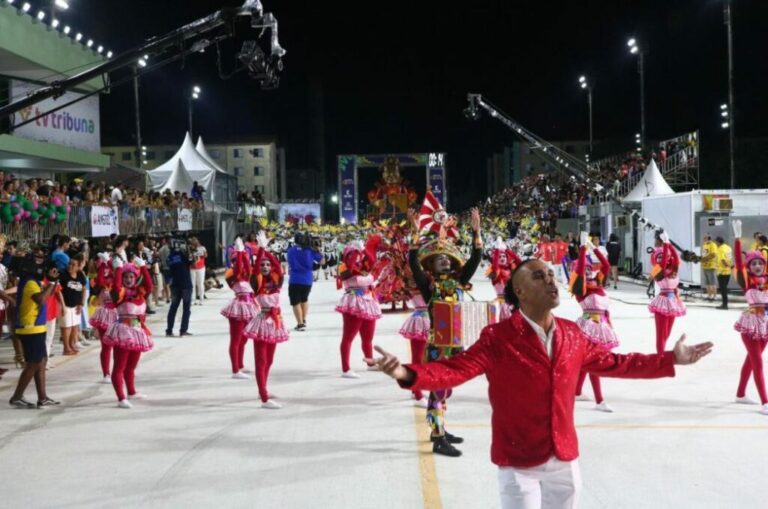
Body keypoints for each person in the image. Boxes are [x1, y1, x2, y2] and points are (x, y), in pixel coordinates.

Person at [365, 258, 713, 509]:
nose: (550, 280)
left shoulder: (572, 334)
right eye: (538, 276)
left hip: (564, 459)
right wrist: (407, 374)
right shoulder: (498, 337)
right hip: (519, 463)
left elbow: (617, 363)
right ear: (519, 290)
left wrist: (671, 359)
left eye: (551, 274)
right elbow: (457, 369)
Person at [407, 206, 483, 457]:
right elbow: (412, 263)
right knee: (438, 389)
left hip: (456, 344)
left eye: (448, 257)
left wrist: (476, 232)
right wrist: (415, 232)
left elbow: (475, 259)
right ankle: (438, 436)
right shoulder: (429, 287)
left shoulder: (459, 283)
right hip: (437, 346)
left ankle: (440, 428)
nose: (445, 259)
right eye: (439, 257)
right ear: (432, 265)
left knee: (447, 388)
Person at [571, 233, 619, 412]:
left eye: (590, 268)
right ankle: (599, 401)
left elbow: (606, 265)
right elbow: (581, 267)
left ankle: (576, 391)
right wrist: (582, 250)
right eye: (585, 269)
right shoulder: (580, 289)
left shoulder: (597, 283)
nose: (589, 271)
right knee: (595, 362)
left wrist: (594, 248)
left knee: (589, 361)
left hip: (602, 325)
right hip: (588, 326)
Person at [9, 255, 61, 408]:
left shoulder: (32, 281)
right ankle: (17, 397)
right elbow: (41, 299)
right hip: (30, 328)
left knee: (41, 361)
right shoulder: (30, 282)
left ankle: (42, 398)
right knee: (33, 363)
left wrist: (54, 281)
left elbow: (48, 294)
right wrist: (51, 282)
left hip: (36, 326)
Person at [102, 258, 153, 409]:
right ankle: (121, 398)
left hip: (137, 332)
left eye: (131, 277)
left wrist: (143, 267)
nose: (128, 279)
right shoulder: (118, 293)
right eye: (126, 277)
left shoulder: (140, 292)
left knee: (131, 366)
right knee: (119, 367)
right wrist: (118, 269)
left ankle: (131, 392)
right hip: (123, 332)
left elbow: (149, 285)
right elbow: (116, 287)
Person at [242, 246, 289, 409]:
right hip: (262, 322)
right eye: (263, 265)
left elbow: (278, 266)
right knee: (261, 361)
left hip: (275, 322)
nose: (266, 267)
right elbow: (255, 271)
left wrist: (267, 251)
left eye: (268, 265)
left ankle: (263, 389)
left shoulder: (277, 281)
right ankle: (264, 399)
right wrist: (260, 251)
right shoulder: (256, 282)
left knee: (269, 360)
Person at [731, 220, 768, 415]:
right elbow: (738, 261)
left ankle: (740, 394)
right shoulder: (747, 281)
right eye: (753, 263)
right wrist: (737, 239)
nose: (756, 266)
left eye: (759, 263)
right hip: (751, 325)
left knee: (751, 361)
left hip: (765, 326)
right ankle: (765, 402)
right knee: (758, 363)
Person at [335, 238, 382, 379]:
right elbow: (350, 272)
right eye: (353, 254)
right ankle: (346, 369)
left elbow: (372, 266)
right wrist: (354, 252)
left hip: (368, 301)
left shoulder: (364, 265)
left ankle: (370, 362)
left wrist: (365, 251)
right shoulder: (344, 267)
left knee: (368, 337)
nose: (357, 257)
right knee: (348, 337)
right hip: (354, 302)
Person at [221, 237, 260, 379]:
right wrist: (239, 252)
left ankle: (241, 365)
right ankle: (235, 370)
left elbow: (248, 268)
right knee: (236, 339)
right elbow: (238, 270)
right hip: (238, 308)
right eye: (237, 260)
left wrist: (244, 253)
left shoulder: (247, 276)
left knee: (244, 339)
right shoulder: (230, 274)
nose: (241, 263)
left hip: (249, 306)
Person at [648, 232, 686, 354]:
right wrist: (665, 245)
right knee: (661, 334)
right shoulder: (657, 269)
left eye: (663, 256)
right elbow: (663, 263)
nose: (662, 258)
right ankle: (660, 357)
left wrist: (669, 244)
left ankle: (661, 354)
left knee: (667, 333)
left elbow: (676, 258)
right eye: (658, 256)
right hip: (662, 302)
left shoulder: (673, 269)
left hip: (673, 302)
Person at [286, 232, 322, 331]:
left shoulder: (291, 250)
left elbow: (288, 262)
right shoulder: (310, 250)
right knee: (304, 299)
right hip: (307, 279)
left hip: (295, 279)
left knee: (295, 302)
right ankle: (303, 319)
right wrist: (317, 250)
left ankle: (300, 324)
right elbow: (322, 261)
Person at [90, 251, 117, 383]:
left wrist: (111, 263)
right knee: (106, 347)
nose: (107, 270)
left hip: (119, 315)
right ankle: (106, 373)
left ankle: (118, 371)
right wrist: (102, 265)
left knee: (119, 347)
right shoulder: (100, 281)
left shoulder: (119, 280)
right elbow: (100, 281)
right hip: (105, 315)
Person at [486, 237, 522, 320]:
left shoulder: (511, 270)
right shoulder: (495, 272)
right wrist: (497, 250)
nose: (502, 258)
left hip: (512, 302)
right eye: (500, 257)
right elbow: (495, 266)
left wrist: (507, 250)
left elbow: (520, 263)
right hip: (501, 304)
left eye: (504, 257)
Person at [59, 254, 87, 357]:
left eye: (73, 265)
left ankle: (71, 344)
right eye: (69, 264)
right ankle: (66, 348)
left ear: (78, 266)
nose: (70, 266)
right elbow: (59, 291)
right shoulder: (63, 275)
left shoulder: (80, 275)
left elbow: (83, 290)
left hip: (76, 305)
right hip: (65, 305)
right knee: (66, 326)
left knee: (75, 326)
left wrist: (81, 303)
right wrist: (62, 305)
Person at [166, 241, 193, 337]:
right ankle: (183, 330)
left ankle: (169, 330)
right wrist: (189, 251)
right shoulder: (183, 255)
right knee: (186, 308)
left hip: (175, 285)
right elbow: (191, 261)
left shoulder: (169, 257)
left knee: (173, 307)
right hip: (186, 284)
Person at [716, 236, 733, 310]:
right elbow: (729, 258)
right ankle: (724, 303)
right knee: (724, 288)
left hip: (722, 271)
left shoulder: (720, 249)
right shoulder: (728, 247)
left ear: (718, 242)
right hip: (728, 272)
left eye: (716, 242)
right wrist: (730, 266)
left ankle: (725, 305)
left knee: (723, 289)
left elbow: (722, 260)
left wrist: (727, 265)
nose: (716, 244)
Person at [189, 236, 207, 305]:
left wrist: (202, 253)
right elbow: (189, 258)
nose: (193, 242)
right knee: (192, 284)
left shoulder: (202, 248)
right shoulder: (189, 249)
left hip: (201, 268)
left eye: (195, 241)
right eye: (192, 241)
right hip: (192, 268)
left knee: (200, 283)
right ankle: (193, 300)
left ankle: (201, 298)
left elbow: (205, 255)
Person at [700, 234, 718, 302]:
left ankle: (714, 296)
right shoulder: (704, 245)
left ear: (709, 238)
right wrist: (701, 258)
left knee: (712, 282)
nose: (704, 239)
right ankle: (709, 295)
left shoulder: (713, 245)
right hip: (705, 266)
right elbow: (704, 254)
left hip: (711, 266)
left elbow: (713, 254)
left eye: (705, 238)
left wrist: (705, 259)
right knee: (707, 283)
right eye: (704, 238)